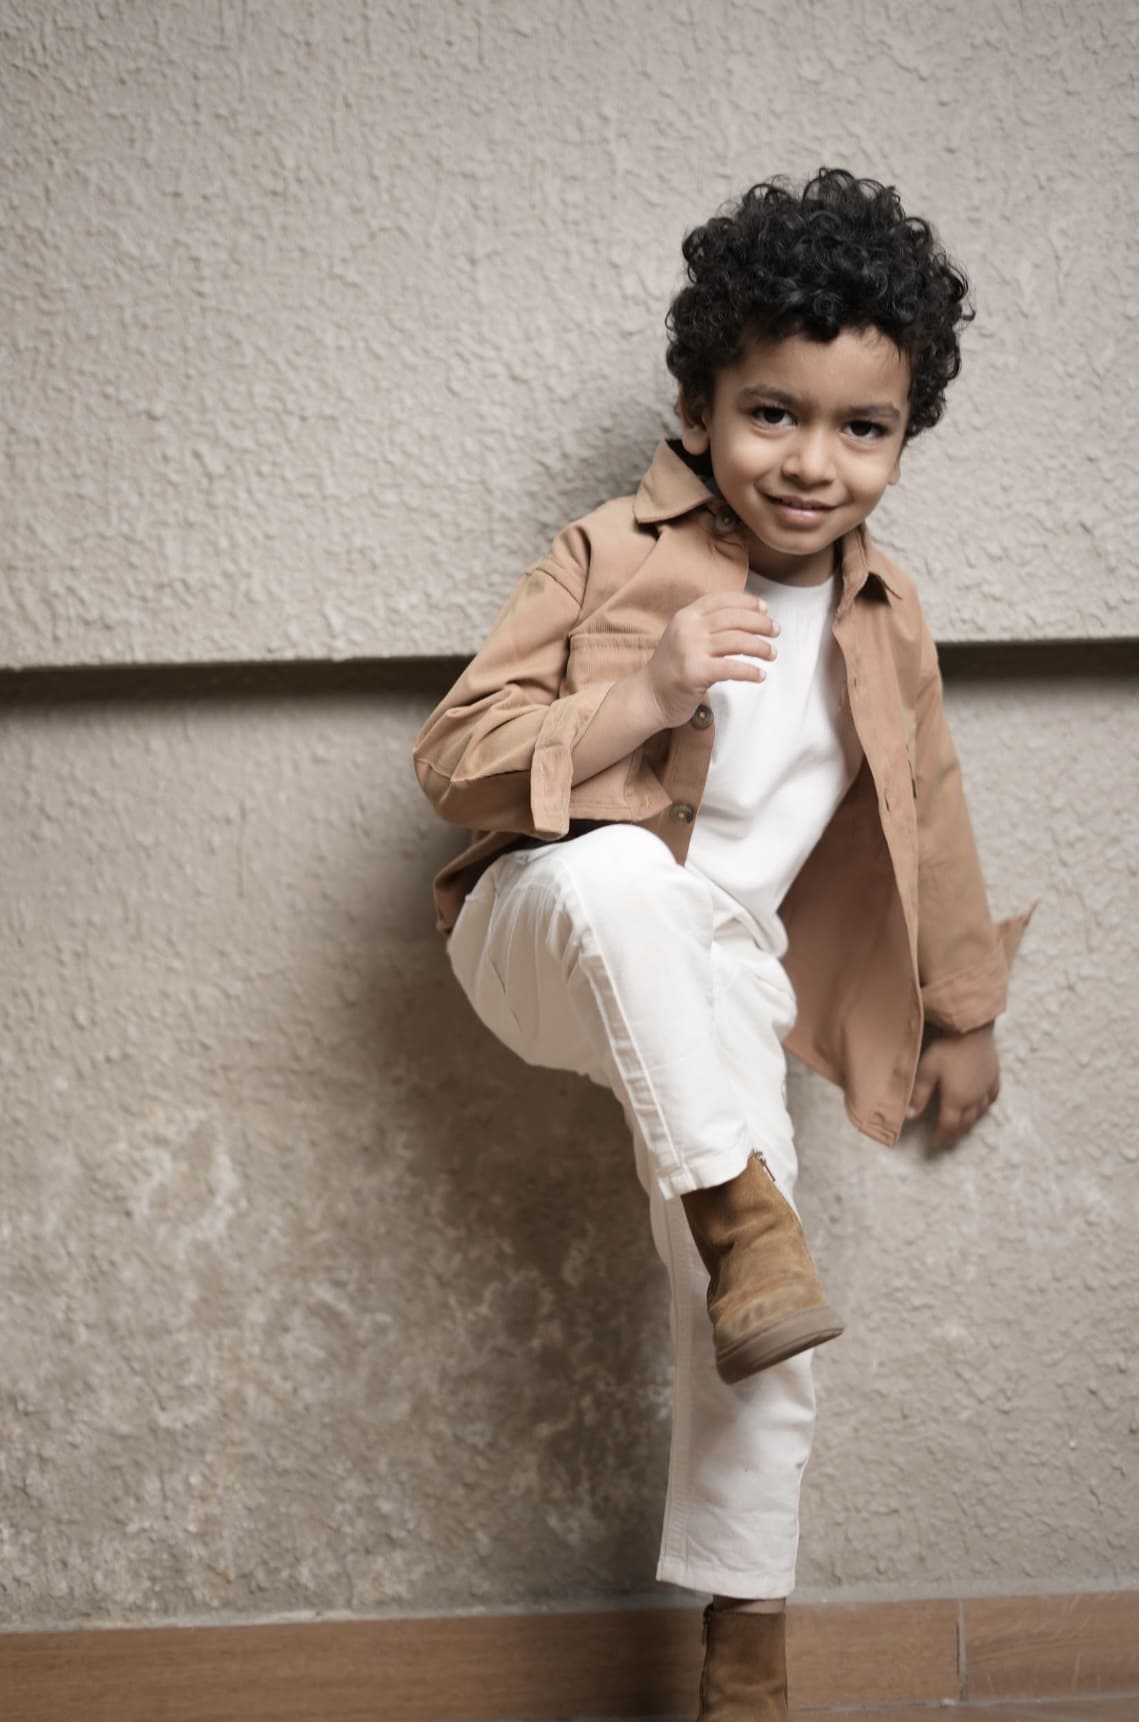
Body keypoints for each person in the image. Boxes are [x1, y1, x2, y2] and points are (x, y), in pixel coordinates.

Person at [412, 168, 1033, 1720]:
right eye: (772, 413)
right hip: (550, 928)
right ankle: (740, 1212)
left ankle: (746, 1658)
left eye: (862, 427)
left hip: (719, 978)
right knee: (630, 875)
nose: (813, 460)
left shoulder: (887, 617)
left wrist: (961, 1011)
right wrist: (643, 694)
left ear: (903, 437)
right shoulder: (608, 551)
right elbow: (452, 757)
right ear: (699, 410)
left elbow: (930, 811)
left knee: (761, 1318)